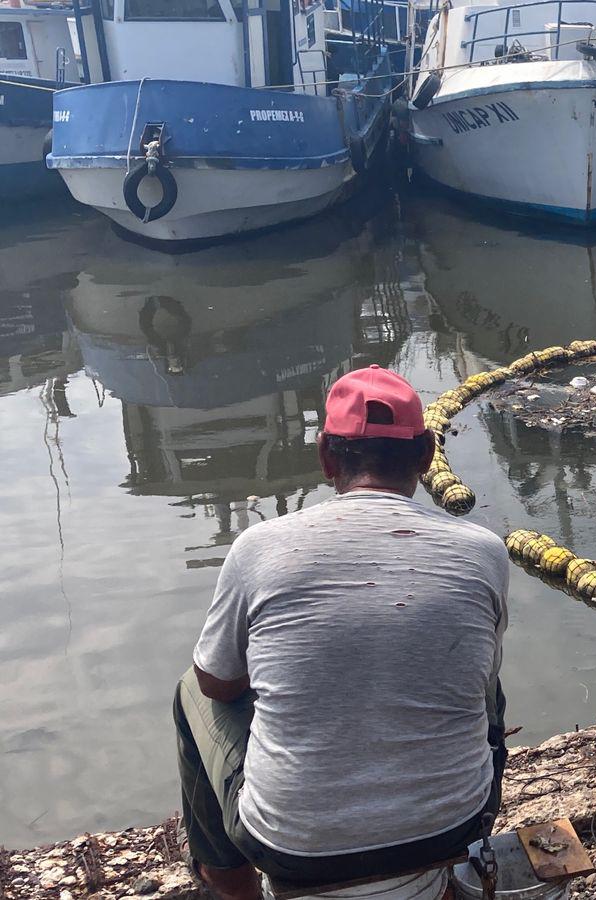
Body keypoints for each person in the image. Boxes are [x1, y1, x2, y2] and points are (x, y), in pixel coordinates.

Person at [174, 365, 511, 900]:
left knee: (191, 687)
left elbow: (219, 686)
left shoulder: (260, 547)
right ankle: (448, 866)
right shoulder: (482, 551)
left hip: (291, 846)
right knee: (483, 679)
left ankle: (228, 882)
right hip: (456, 824)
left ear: (326, 457)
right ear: (426, 456)